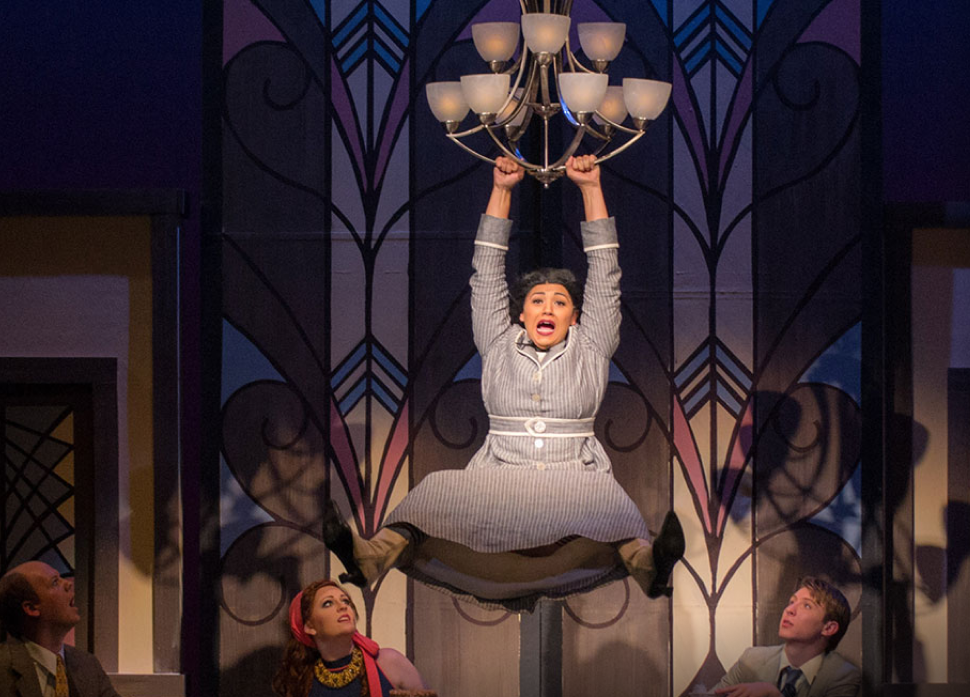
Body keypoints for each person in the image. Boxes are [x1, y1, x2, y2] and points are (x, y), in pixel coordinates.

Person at [325, 155, 684, 610]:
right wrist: (502, 190)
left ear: (576, 316)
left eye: (560, 302)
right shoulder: (497, 341)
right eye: (538, 300)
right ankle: (370, 555)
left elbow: (606, 275)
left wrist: (592, 189)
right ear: (521, 312)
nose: (548, 309)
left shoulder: (591, 345)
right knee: (435, 488)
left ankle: (650, 566)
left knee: (606, 498)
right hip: (500, 481)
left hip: (571, 481)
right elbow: (487, 274)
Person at [271, 580, 426, 697]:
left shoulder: (389, 663)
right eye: (328, 603)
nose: (343, 606)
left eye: (345, 600)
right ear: (310, 627)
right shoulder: (304, 683)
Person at [714, 577, 859, 697]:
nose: (789, 610)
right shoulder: (752, 660)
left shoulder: (841, 675)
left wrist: (774, 696)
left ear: (828, 628)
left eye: (807, 606)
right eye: (791, 602)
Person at [0, 560, 120, 697]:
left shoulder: (88, 665)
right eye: (55, 582)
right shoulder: (3, 669)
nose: (68, 584)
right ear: (31, 608)